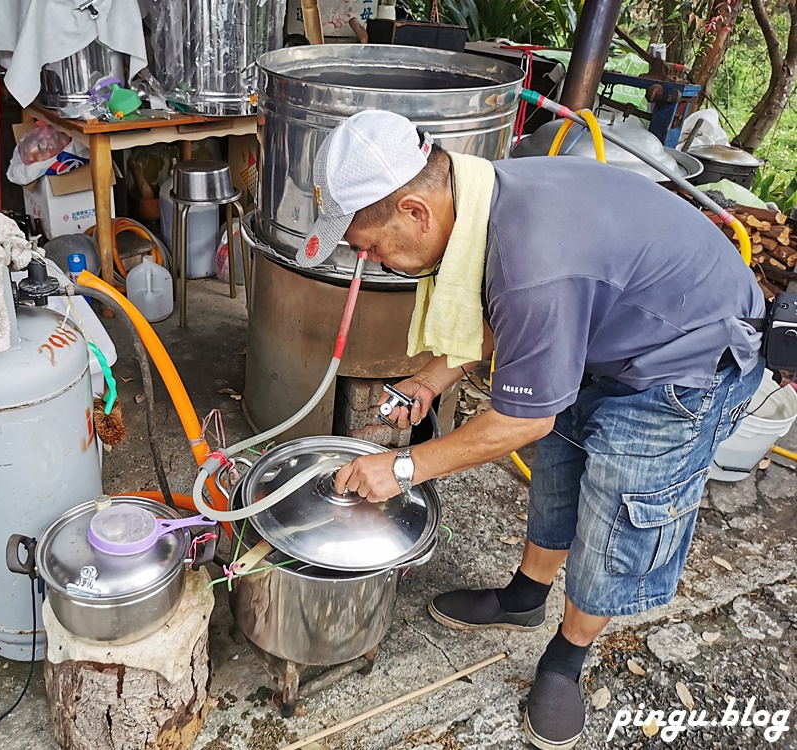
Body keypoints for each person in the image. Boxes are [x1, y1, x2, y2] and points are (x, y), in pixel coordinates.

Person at [303, 110, 765, 750]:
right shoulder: (484, 198)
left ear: (414, 210)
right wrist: (430, 382)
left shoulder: (534, 255)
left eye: (369, 246)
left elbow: (523, 413)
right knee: (557, 471)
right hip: (609, 331)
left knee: (614, 520)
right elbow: (507, 314)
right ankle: (526, 595)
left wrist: (401, 469)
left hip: (683, 362)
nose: (369, 261)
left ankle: (567, 659)